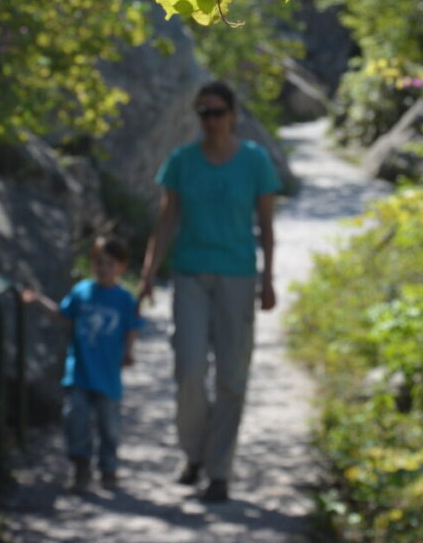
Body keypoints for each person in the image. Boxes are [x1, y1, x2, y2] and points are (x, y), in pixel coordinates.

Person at [138, 80, 281, 503]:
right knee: (190, 370)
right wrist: (148, 273)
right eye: (204, 113)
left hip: (237, 276)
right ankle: (193, 454)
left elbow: (267, 225)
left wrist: (268, 278)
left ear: (234, 115)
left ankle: (219, 470)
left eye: (218, 112)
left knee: (233, 377)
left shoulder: (255, 162)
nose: (211, 121)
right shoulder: (182, 161)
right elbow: (166, 220)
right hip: (190, 276)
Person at [21, 235, 143, 492]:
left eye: (110, 263)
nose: (103, 268)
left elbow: (131, 328)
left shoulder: (124, 299)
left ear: (121, 266)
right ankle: (80, 466)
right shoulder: (82, 292)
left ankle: (108, 469)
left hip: (108, 375)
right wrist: (38, 300)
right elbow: (62, 315)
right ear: (92, 263)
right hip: (79, 371)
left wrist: (129, 352)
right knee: (75, 417)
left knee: (109, 426)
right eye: (99, 262)